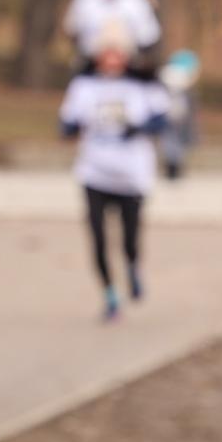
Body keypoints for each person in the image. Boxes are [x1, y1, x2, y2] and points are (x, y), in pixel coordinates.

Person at [59, 22, 169, 321]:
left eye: (117, 53)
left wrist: (138, 127)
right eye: (106, 52)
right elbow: (67, 122)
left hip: (131, 175)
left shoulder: (144, 85)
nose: (112, 59)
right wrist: (72, 127)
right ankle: (110, 294)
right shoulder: (84, 85)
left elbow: (162, 120)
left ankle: (133, 267)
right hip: (94, 172)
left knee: (129, 239)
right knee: (97, 239)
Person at [63, 0, 162, 69]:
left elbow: (148, 35)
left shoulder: (136, 1)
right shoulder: (84, 0)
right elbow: (72, 30)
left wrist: (120, 54)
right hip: (90, 63)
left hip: (130, 64)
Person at [157, 49, 200, 180]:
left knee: (171, 142)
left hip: (171, 114)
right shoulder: (181, 79)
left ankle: (173, 168)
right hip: (176, 115)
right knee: (175, 142)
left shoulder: (166, 75)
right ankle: (174, 168)